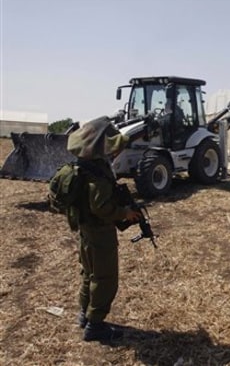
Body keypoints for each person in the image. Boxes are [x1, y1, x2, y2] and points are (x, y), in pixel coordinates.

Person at [66, 116, 142, 342]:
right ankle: (95, 326)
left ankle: (85, 315)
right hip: (100, 230)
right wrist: (124, 214)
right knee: (105, 278)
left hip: (85, 228)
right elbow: (101, 207)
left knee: (89, 274)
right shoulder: (98, 172)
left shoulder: (82, 164)